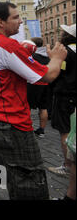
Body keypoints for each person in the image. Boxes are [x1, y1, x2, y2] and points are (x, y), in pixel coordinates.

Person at [0, 2, 67, 200]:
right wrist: (57, 58)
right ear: (0, 22)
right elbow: (47, 76)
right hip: (11, 123)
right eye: (15, 17)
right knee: (29, 178)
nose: (20, 20)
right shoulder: (6, 45)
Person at [48, 24, 76, 177]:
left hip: (65, 95)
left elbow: (57, 72)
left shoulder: (66, 52)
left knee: (65, 130)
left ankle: (67, 166)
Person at [25, 37, 52, 138]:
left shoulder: (32, 56)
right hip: (45, 84)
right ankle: (41, 130)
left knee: (27, 107)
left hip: (33, 84)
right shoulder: (48, 56)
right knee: (43, 108)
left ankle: (27, 129)